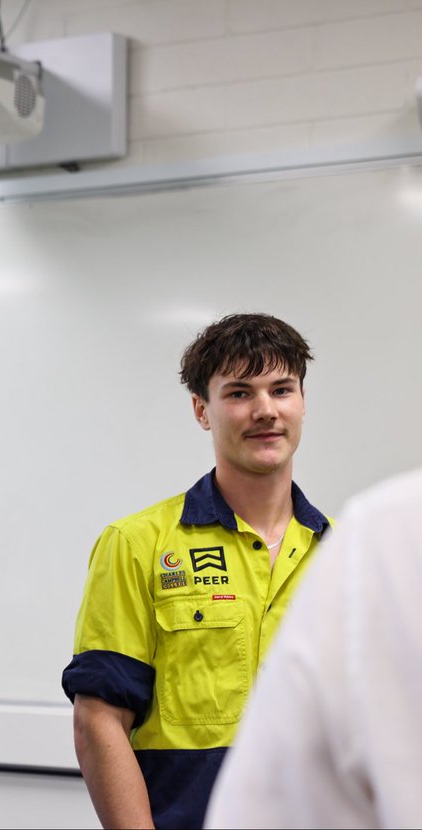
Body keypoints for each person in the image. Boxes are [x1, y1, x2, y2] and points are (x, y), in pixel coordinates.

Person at [61, 312, 331, 829]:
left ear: (302, 401)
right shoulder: (137, 544)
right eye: (239, 393)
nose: (265, 410)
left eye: (281, 390)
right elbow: (98, 719)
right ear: (202, 410)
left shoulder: (343, 554)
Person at [204, 467, 422, 828]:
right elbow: (105, 713)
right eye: (239, 403)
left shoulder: (344, 544)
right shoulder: (370, 542)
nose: (265, 415)